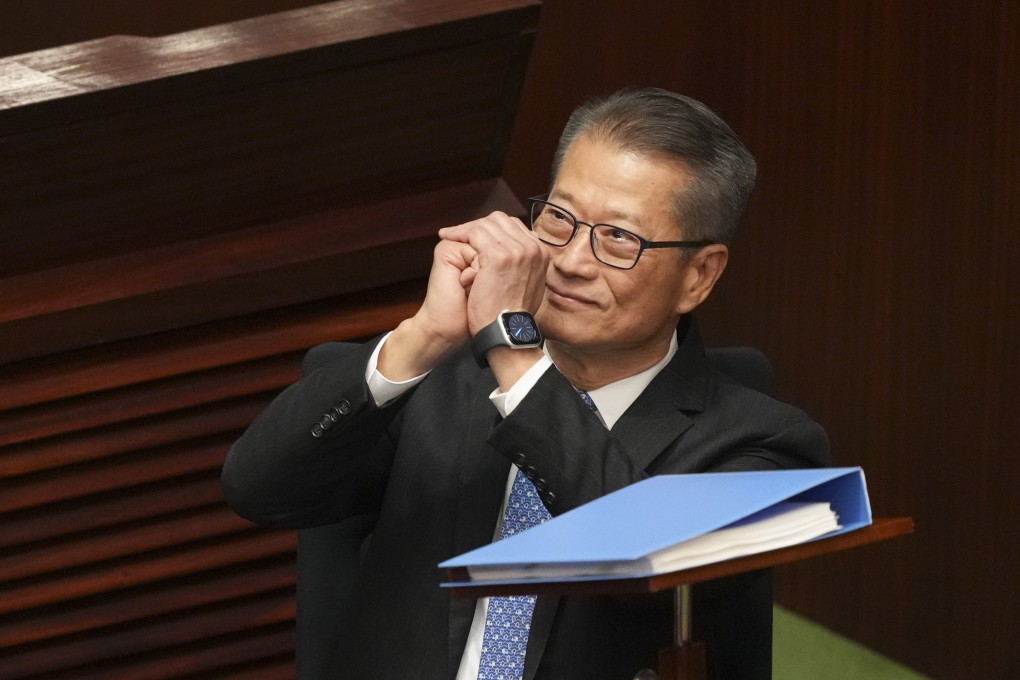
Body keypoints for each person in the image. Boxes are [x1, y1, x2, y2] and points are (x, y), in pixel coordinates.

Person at [221, 87, 829, 680]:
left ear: (699, 275)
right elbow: (257, 489)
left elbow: (645, 559)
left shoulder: (767, 446)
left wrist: (514, 355)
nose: (570, 260)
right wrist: (426, 335)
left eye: (618, 237)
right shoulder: (434, 384)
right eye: (559, 218)